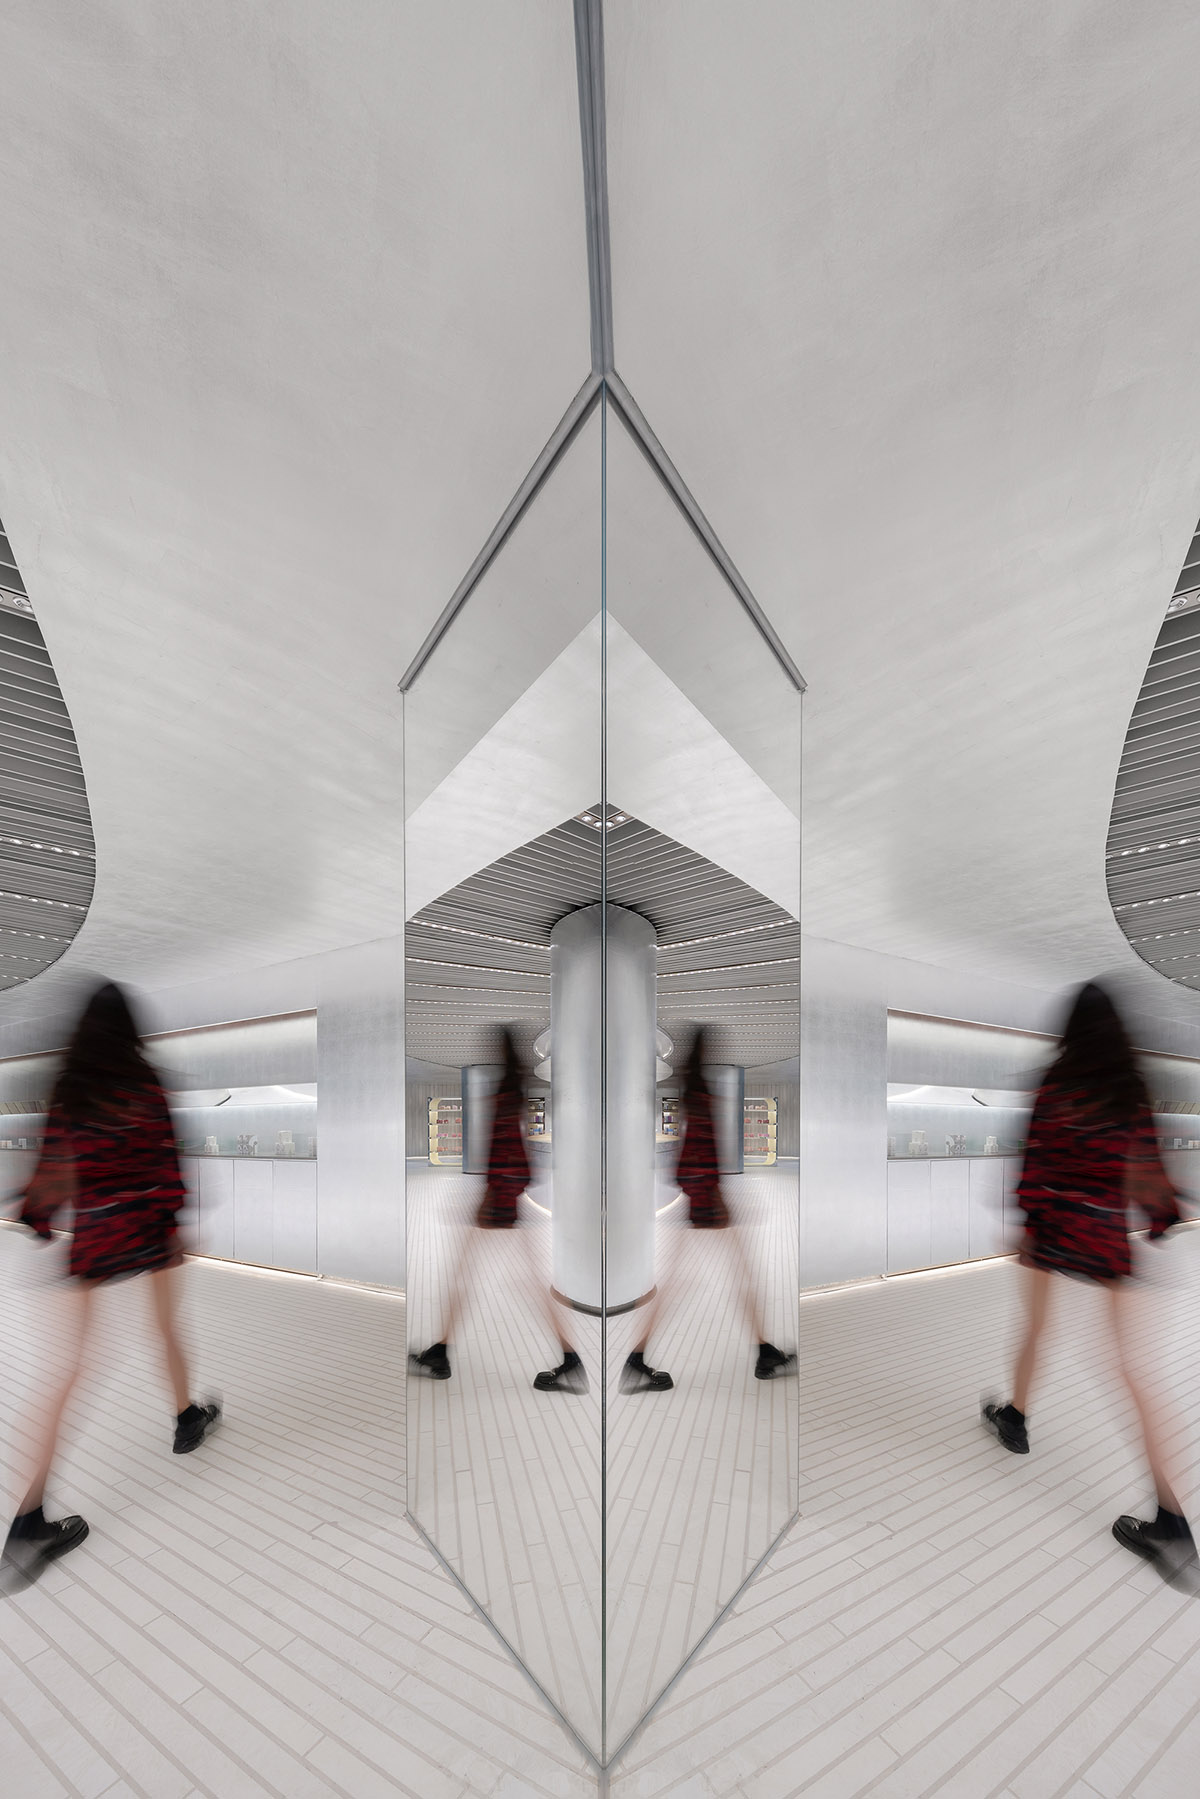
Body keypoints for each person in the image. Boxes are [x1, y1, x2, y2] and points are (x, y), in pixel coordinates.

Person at [2, 981, 220, 1589]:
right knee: (166, 1326)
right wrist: (174, 1225)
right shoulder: (148, 1085)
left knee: (66, 1371)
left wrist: (41, 1222)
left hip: (94, 1241)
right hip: (149, 1231)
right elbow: (168, 1163)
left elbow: (52, 1168)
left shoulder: (71, 1090)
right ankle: (185, 1419)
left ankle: (27, 1520)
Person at [983, 980, 1192, 1582]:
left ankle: (1016, 1418)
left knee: (1037, 1327)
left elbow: (1035, 1162)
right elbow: (1148, 1165)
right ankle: (1172, 1521)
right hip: (1106, 1240)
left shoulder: (1054, 1084)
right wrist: (1158, 1221)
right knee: (1133, 1371)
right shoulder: (1129, 1090)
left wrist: (1027, 1224)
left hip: (1053, 1232)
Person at [410, 1029, 587, 1394]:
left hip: (496, 1205)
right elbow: (521, 1161)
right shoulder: (517, 1093)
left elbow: (507, 1157)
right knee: (521, 1283)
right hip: (502, 1202)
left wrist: (493, 1197)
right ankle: (569, 1357)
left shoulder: (503, 1097)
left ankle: (442, 1352)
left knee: (468, 1278)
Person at [621, 1027, 794, 1392]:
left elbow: (687, 1160)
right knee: (736, 1279)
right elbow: (698, 1157)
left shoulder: (691, 1093)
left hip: (704, 1202)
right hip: (709, 1206)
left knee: (688, 1283)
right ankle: (763, 1352)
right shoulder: (702, 1097)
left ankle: (639, 1357)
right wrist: (713, 1198)